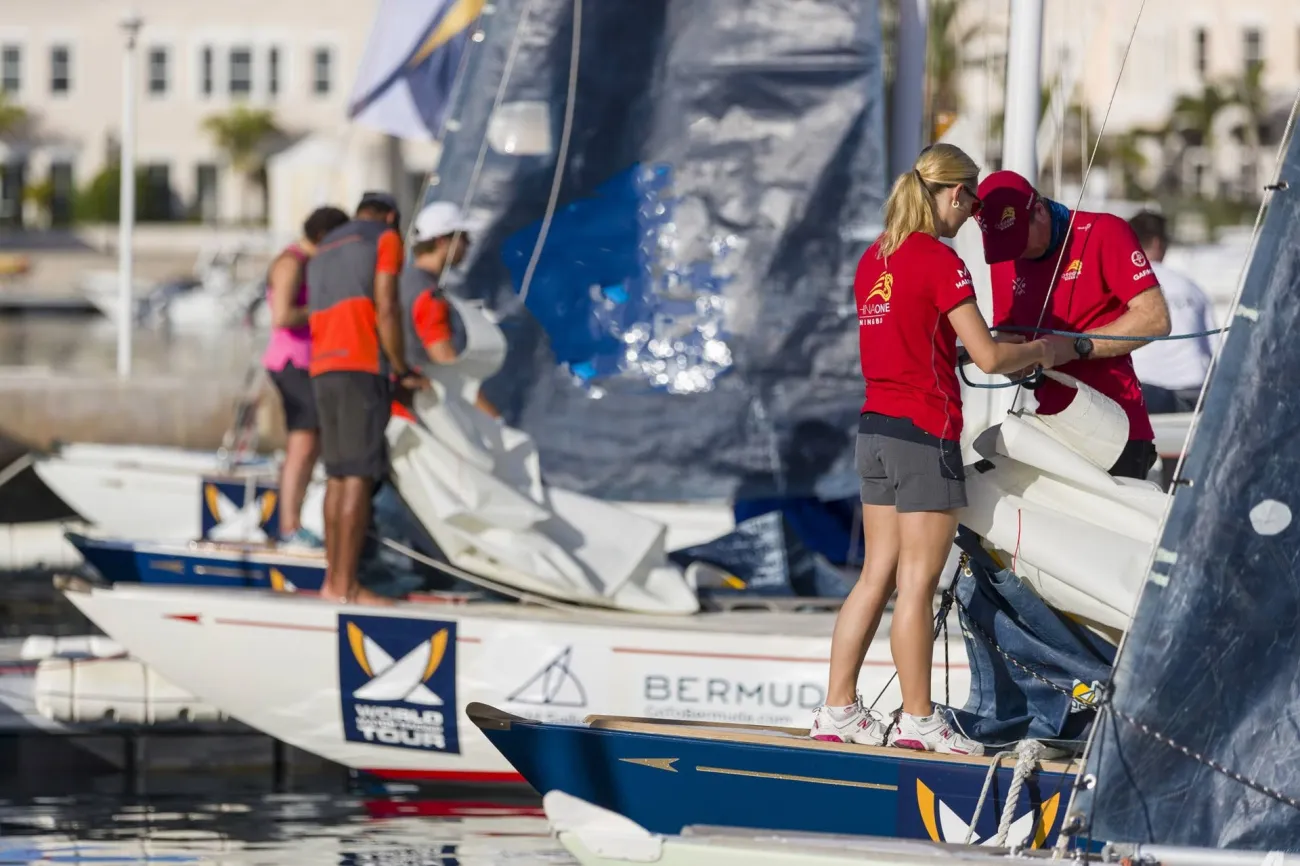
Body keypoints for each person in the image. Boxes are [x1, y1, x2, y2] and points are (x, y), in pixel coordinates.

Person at [808, 144, 1072, 755]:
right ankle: (920, 723)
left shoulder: (875, 258)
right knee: (918, 583)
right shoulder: (939, 258)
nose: (974, 214)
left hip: (874, 429)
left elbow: (910, 337)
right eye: (974, 201)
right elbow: (988, 356)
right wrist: (1042, 351)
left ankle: (838, 708)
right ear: (954, 195)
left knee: (875, 576)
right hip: (922, 432)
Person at [974, 171, 1172, 479]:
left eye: (1016, 240)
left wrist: (1075, 346)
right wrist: (1007, 358)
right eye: (1003, 245)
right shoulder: (1005, 257)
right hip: (1051, 430)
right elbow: (1009, 337)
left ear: (1039, 210)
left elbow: (1155, 318)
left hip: (1115, 429)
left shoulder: (1103, 231)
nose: (1014, 253)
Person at [307, 191, 430, 605]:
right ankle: (348, 587)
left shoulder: (324, 247)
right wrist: (401, 367)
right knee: (359, 476)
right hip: (361, 365)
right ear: (392, 216)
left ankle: (332, 582)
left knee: (338, 476)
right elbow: (387, 306)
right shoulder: (384, 238)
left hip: (322, 366)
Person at [262, 205, 350, 549]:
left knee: (313, 445)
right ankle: (288, 526)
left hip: (311, 362)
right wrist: (328, 311)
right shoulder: (291, 262)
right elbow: (282, 316)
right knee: (303, 443)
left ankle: (296, 520)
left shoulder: (313, 262)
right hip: (291, 361)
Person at [394, 201, 500, 419]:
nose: (468, 244)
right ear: (443, 241)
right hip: (420, 415)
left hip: (395, 407)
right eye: (462, 236)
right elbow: (447, 366)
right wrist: (492, 419)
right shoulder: (428, 295)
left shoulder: (400, 282)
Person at [1126, 210, 1218, 414]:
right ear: (1158, 243)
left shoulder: (1119, 285)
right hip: (1196, 395)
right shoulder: (1191, 287)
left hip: (1145, 396)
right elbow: (1213, 349)